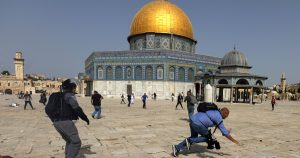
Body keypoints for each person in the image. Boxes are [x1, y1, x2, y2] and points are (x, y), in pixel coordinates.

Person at [46, 79, 90, 158]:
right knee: (76, 142)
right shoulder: (69, 95)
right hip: (65, 122)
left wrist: (54, 119)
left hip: (56, 123)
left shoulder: (56, 96)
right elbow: (76, 108)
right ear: (71, 88)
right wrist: (85, 118)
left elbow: (47, 109)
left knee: (69, 140)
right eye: (74, 88)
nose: (74, 90)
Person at [172, 107, 240, 157]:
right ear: (224, 113)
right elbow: (225, 133)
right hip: (198, 124)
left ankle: (176, 148)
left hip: (193, 120)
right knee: (208, 138)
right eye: (226, 116)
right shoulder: (218, 117)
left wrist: (226, 131)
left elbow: (222, 129)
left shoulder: (215, 111)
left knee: (194, 138)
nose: (226, 117)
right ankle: (189, 140)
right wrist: (234, 141)